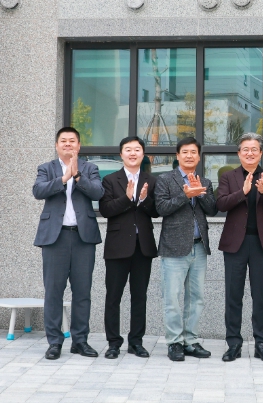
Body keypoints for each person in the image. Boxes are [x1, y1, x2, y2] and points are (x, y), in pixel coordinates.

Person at [32, 127, 104, 360]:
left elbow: (98, 193)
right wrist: (64, 178)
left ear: (79, 146)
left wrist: (77, 176)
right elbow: (38, 190)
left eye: (72, 141)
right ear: (57, 145)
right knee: (53, 291)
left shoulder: (90, 168)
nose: (68, 144)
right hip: (55, 238)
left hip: (83, 237)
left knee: (82, 292)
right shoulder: (46, 168)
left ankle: (80, 341)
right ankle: (54, 342)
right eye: (63, 141)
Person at [216, 133, 263, 362]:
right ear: (239, 153)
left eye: (254, 149)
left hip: (261, 244)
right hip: (235, 244)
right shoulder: (228, 176)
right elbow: (220, 204)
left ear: (261, 153)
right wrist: (242, 192)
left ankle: (261, 343)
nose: (250, 153)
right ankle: (233, 343)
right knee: (233, 295)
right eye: (245, 149)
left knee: (260, 295)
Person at [155, 137, 218, 362]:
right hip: (173, 247)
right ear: (177, 155)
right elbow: (161, 208)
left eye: (193, 152)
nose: (189, 156)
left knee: (196, 297)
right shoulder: (165, 179)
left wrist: (199, 193)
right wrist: (185, 195)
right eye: (185, 152)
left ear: (199, 157)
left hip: (199, 247)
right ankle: (174, 342)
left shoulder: (205, 181)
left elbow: (212, 209)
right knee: (172, 297)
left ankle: (191, 341)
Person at [99, 136, 159, 360]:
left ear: (143, 154)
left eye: (137, 150)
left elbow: (157, 212)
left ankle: (136, 342)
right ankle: (113, 343)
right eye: (128, 149)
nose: (133, 153)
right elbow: (106, 210)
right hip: (117, 246)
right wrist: (126, 198)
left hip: (143, 247)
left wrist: (144, 200)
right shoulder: (110, 180)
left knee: (139, 297)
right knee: (113, 297)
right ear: (121, 154)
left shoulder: (151, 180)